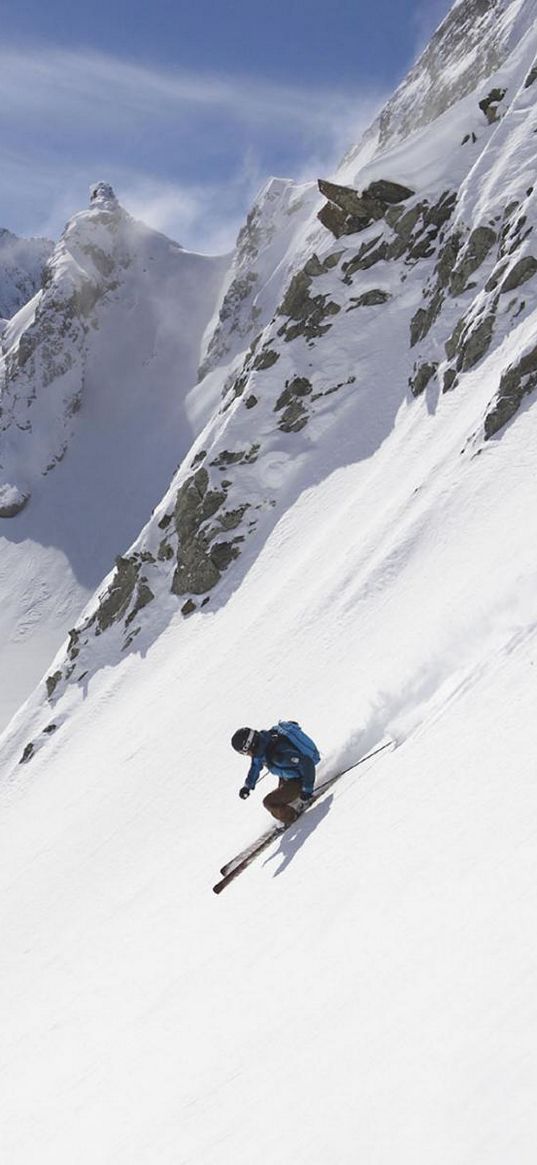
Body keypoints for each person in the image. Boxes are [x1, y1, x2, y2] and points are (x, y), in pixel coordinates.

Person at [231, 722, 318, 825]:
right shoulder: (263, 745)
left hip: (300, 779)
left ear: (249, 746)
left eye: (244, 752)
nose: (246, 755)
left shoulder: (278, 756)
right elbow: (255, 766)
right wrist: (247, 786)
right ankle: (295, 802)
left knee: (269, 802)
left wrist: (307, 790)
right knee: (279, 796)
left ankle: (292, 816)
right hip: (289, 776)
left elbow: (306, 763)